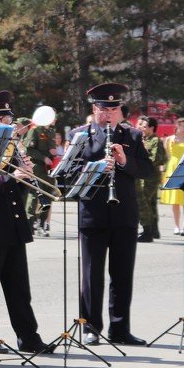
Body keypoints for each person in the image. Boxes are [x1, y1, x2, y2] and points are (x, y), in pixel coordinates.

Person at [64, 83, 153, 346]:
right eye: (104, 109)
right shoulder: (79, 135)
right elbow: (68, 173)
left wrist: (124, 161)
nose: (109, 114)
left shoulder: (132, 136)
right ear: (95, 109)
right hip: (93, 214)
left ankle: (120, 328)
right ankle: (91, 327)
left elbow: (147, 170)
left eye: (114, 109)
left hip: (124, 213)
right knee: (92, 275)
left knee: (122, 274)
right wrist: (95, 167)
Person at [0, 91, 54, 355]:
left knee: (19, 288)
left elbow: (16, 185)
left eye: (8, 117)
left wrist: (25, 173)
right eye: (1, 117)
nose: (8, 121)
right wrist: (12, 176)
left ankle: (28, 338)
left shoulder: (10, 145)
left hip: (13, 223)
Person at [23, 114, 57, 237]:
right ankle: (29, 225)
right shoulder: (35, 130)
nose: (55, 119)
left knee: (47, 196)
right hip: (37, 166)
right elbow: (29, 149)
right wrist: (43, 158)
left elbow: (52, 148)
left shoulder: (51, 132)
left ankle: (42, 224)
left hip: (49, 168)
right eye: (53, 117)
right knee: (34, 194)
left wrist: (53, 153)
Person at [135, 116, 167, 242]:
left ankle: (147, 231)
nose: (142, 128)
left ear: (152, 128)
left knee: (143, 202)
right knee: (151, 203)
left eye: (144, 127)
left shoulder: (155, 141)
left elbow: (156, 159)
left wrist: (141, 162)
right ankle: (154, 230)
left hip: (151, 177)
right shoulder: (143, 139)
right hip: (144, 176)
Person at [160, 118, 184, 234]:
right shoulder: (169, 139)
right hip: (172, 168)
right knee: (175, 200)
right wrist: (163, 169)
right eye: (183, 126)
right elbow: (166, 155)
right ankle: (177, 226)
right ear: (177, 126)